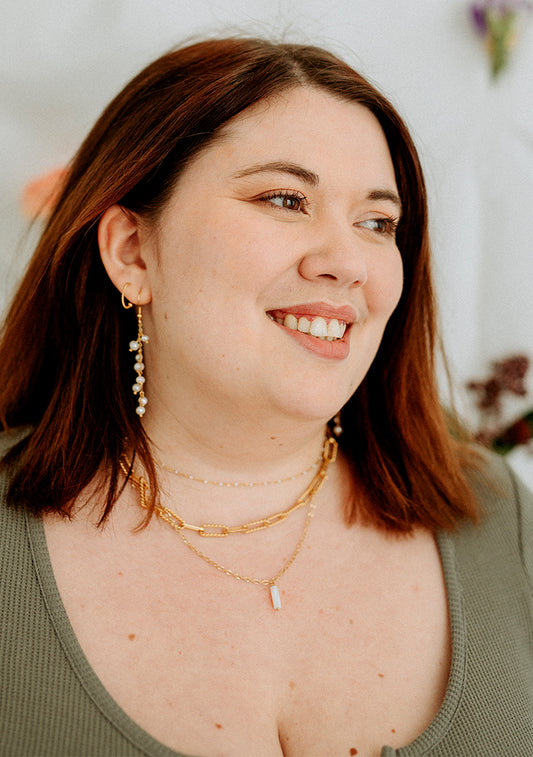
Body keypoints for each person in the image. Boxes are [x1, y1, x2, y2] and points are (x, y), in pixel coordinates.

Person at [0, 36, 531, 757]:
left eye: (377, 223)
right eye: (285, 200)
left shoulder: (502, 523)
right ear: (132, 251)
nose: (347, 262)